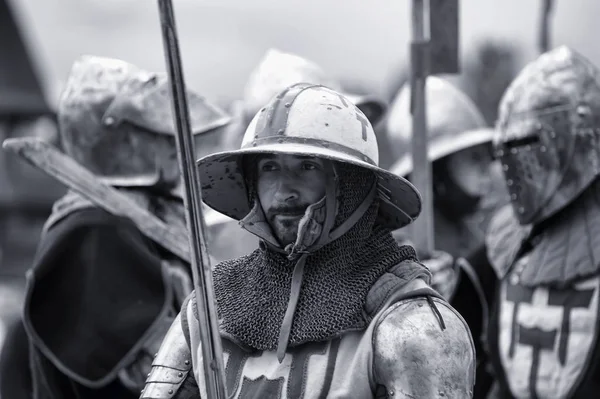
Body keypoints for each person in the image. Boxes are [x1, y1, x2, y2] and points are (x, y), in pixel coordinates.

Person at [142, 83, 476, 398]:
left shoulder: (411, 327)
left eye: (307, 166)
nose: (284, 191)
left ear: (351, 184)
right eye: (270, 167)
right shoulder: (209, 308)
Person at [20, 55, 230, 398]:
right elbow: (158, 376)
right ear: (125, 140)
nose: (177, 147)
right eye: (161, 135)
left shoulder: (142, 217)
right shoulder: (92, 231)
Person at [454, 46, 600, 398]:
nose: (512, 162)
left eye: (525, 143)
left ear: (578, 139)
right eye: (505, 148)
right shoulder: (501, 251)